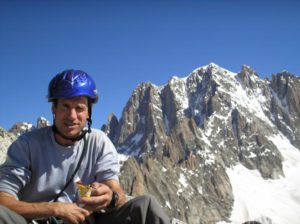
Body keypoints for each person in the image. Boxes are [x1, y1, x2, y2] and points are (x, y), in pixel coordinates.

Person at [0, 69, 170, 224]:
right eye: (65, 106)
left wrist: (110, 197)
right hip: (34, 221)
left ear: (88, 112)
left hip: (85, 222)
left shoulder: (99, 142)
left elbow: (116, 193)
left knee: (146, 206)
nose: (72, 116)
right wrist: (54, 208)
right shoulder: (27, 145)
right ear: (54, 108)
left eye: (79, 108)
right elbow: (3, 199)